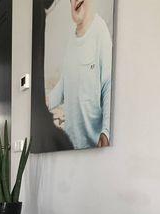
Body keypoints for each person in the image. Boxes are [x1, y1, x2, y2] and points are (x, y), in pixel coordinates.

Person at [47, 0, 112, 149]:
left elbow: (108, 86)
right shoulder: (71, 39)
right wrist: (46, 101)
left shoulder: (100, 32)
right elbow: (64, 85)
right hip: (71, 144)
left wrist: (105, 132)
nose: (74, 2)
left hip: (92, 144)